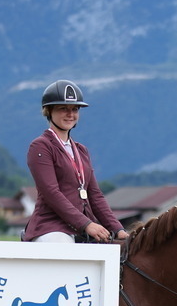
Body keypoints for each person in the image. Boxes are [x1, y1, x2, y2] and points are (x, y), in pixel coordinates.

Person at [23, 79, 128, 243]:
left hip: (84, 227)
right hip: (51, 227)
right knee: (63, 247)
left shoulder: (81, 150)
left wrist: (118, 229)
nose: (70, 114)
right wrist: (86, 224)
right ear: (48, 111)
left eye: (75, 109)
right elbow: (51, 193)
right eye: (63, 108)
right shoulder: (40, 147)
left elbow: (95, 195)